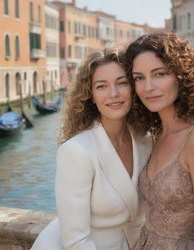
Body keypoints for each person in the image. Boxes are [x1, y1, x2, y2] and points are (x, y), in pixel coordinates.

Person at [31, 48, 152, 250]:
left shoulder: (146, 141)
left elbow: (139, 218)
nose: (113, 94)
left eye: (122, 83)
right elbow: (76, 241)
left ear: (133, 89)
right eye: (101, 86)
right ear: (91, 96)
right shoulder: (76, 151)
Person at [125, 33, 194, 250]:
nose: (147, 87)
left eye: (159, 74)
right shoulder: (156, 134)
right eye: (139, 78)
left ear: (182, 75)